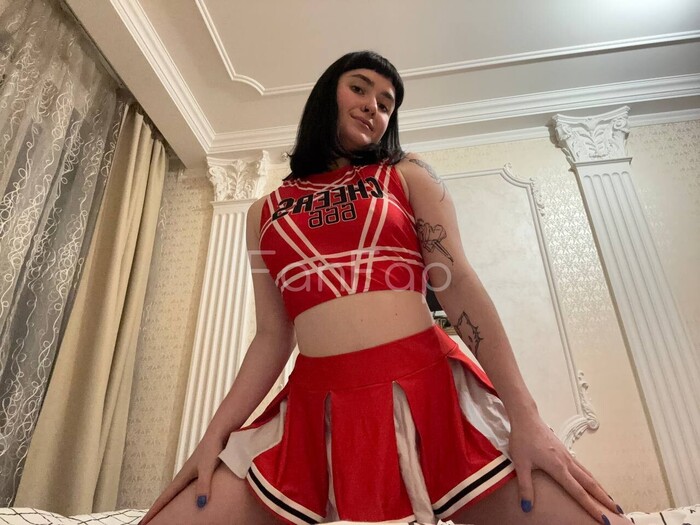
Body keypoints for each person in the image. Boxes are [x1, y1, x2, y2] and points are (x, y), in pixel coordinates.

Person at [140, 51, 629, 525]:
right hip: (313, 410)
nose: (373, 105)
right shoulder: (261, 213)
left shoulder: (407, 173)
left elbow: (457, 285)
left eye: (386, 102)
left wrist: (527, 418)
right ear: (326, 96)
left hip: (435, 396)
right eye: (359, 88)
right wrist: (214, 436)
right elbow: (272, 335)